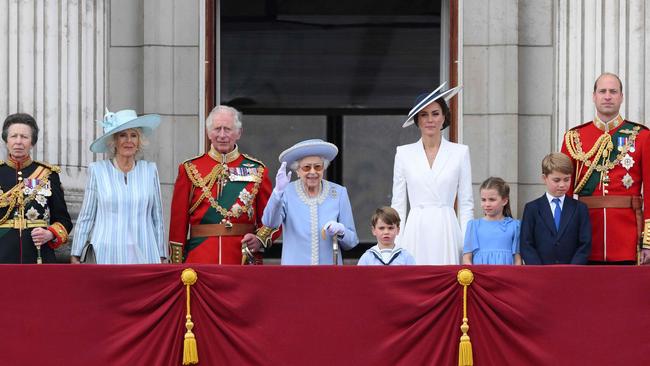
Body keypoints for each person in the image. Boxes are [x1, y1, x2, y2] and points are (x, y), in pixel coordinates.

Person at [169, 105, 277, 264]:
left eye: (227, 129)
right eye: (217, 129)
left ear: (239, 133)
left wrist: (260, 239)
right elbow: (178, 224)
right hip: (200, 258)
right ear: (208, 132)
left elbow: (272, 217)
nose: (222, 135)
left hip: (241, 258)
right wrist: (176, 265)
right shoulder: (190, 168)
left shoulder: (258, 170)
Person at [561, 72, 650, 265]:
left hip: (628, 238)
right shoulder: (574, 137)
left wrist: (647, 241)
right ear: (594, 96)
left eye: (613, 91)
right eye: (602, 91)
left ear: (621, 97)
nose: (608, 96)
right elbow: (564, 193)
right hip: (585, 236)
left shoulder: (641, 136)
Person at [391, 82, 473, 265]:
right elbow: (398, 204)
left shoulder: (460, 152)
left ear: (444, 117)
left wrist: (468, 246)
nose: (430, 120)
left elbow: (466, 204)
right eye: (424, 115)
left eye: (435, 114)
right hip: (416, 228)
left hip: (447, 227)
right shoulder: (403, 153)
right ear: (417, 120)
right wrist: (396, 243)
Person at [70, 109, 166, 264]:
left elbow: (157, 217)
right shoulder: (98, 170)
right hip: (106, 253)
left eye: (133, 135)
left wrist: (162, 254)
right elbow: (87, 216)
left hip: (145, 251)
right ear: (113, 141)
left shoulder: (149, 171)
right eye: (123, 135)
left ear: (139, 141)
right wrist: (76, 253)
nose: (129, 140)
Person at [262, 139, 359, 264]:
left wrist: (341, 231)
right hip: (295, 274)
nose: (312, 172)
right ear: (297, 170)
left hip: (328, 273)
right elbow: (270, 223)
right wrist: (277, 193)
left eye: (317, 167)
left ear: (323, 168)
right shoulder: (286, 192)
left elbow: (352, 242)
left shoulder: (339, 193)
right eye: (307, 167)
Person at [0, 113, 72, 263]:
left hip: (38, 255)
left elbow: (64, 220)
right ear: (6, 140)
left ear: (32, 142)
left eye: (24, 137)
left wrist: (50, 234)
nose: (18, 142)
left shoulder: (48, 174)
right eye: (14, 136)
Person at [520, 153, 592, 264]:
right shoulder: (532, 208)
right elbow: (526, 244)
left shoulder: (580, 209)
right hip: (541, 274)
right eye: (557, 180)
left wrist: (573, 269)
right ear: (544, 178)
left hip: (571, 273)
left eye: (566, 179)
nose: (562, 185)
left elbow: (585, 243)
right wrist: (539, 271)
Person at [462, 177, 521, 265]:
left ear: (504, 201)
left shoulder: (514, 226)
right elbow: (467, 258)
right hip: (480, 276)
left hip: (505, 276)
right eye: (483, 200)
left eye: (492, 200)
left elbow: (517, 259)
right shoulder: (473, 226)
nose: (487, 204)